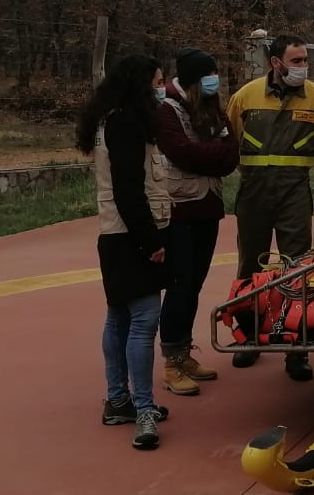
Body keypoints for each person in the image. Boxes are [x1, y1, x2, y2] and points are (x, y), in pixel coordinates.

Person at [226, 33, 314, 381]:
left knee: (297, 270)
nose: (302, 67)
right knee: (250, 266)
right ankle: (249, 338)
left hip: (294, 192)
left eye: (305, 60)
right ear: (276, 63)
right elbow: (230, 138)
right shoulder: (246, 97)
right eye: (296, 61)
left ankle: (297, 351)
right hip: (253, 191)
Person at [75, 53, 171, 451]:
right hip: (132, 231)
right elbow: (129, 189)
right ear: (140, 84)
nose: (161, 90)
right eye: (157, 83)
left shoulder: (107, 118)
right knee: (144, 319)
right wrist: (151, 242)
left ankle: (118, 399)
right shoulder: (128, 122)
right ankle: (144, 408)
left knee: (118, 314)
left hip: (112, 231)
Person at [154, 47, 239, 396]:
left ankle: (184, 352)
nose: (213, 80)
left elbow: (231, 154)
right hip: (179, 208)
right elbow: (181, 153)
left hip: (207, 207)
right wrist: (211, 155)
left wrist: (210, 156)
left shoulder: (211, 108)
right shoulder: (167, 109)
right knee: (180, 284)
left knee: (195, 284)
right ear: (191, 80)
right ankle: (171, 361)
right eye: (208, 75)